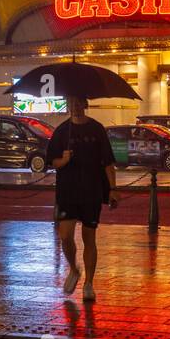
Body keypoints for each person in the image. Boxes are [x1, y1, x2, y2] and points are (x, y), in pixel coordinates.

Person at [49, 95, 118, 302]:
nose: (76, 107)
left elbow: (107, 162)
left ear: (85, 104)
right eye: (72, 103)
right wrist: (64, 159)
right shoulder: (61, 131)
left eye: (79, 103)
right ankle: (73, 269)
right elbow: (53, 162)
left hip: (92, 191)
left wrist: (113, 189)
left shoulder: (97, 129)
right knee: (65, 236)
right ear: (68, 105)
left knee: (89, 238)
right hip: (67, 191)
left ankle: (89, 283)